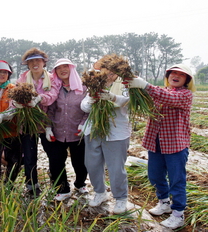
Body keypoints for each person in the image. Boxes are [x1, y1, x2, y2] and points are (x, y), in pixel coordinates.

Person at [124, 64, 195, 229]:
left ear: (187, 80)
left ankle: (178, 214)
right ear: (168, 76)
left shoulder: (185, 95)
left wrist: (145, 85)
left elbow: (168, 98)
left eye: (181, 75)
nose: (175, 76)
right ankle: (164, 201)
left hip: (175, 144)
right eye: (173, 73)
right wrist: (135, 89)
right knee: (155, 175)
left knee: (177, 179)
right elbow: (148, 101)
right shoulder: (160, 92)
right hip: (155, 141)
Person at [81, 66, 131, 214]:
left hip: (117, 133)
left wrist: (112, 97)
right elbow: (84, 106)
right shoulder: (95, 83)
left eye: (112, 70)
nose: (109, 73)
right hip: (94, 130)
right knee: (92, 164)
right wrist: (91, 99)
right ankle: (100, 192)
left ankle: (121, 198)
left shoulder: (126, 84)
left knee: (116, 168)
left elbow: (129, 103)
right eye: (105, 69)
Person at [15, 48, 61, 196]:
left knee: (54, 155)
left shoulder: (52, 78)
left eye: (38, 60)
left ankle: (57, 182)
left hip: (48, 122)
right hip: (28, 123)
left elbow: (53, 95)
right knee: (29, 156)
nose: (35, 64)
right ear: (27, 64)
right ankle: (32, 185)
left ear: (44, 62)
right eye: (31, 61)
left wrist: (40, 98)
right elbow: (15, 97)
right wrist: (18, 103)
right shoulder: (22, 79)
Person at [45, 58, 88, 201]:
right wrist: (48, 127)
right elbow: (50, 109)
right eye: (58, 68)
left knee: (80, 161)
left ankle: (80, 183)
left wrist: (83, 124)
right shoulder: (54, 89)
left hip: (77, 132)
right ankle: (63, 189)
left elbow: (89, 110)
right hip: (57, 132)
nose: (62, 70)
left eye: (65, 66)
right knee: (56, 162)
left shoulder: (83, 88)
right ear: (55, 72)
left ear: (71, 68)